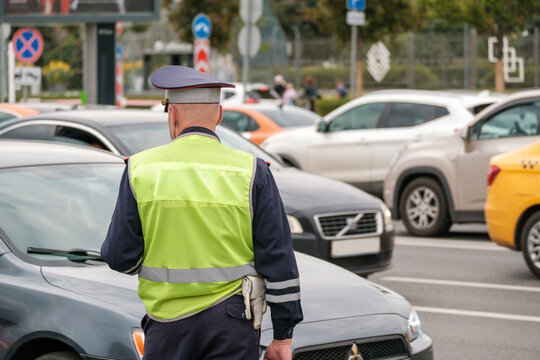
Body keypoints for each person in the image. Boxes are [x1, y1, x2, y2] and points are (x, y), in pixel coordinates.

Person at [100, 65, 303, 360]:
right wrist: (283, 337)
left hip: (167, 326)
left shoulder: (140, 169)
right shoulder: (253, 171)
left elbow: (119, 257)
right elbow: (279, 261)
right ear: (219, 115)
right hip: (233, 325)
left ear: (174, 115)